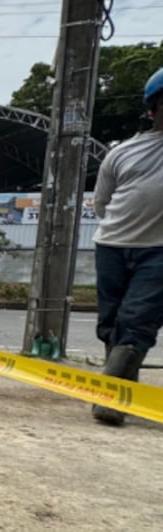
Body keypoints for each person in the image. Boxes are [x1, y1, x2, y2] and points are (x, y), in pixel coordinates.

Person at [89, 67, 163, 425]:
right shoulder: (123, 153)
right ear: (152, 109)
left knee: (137, 322)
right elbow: (102, 203)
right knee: (111, 324)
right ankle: (123, 397)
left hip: (159, 252)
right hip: (112, 245)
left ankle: (108, 400)